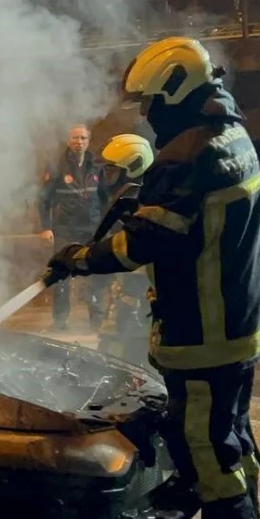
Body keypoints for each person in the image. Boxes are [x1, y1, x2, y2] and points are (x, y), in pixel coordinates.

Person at [45, 37, 260, 519]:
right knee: (232, 441)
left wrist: (78, 258)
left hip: (202, 335)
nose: (147, 113)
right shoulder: (232, 136)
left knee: (208, 454)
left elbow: (142, 245)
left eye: (152, 102)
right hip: (239, 324)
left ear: (175, 90)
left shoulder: (186, 156)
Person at [38, 124, 113, 333]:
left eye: (82, 138)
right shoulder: (56, 167)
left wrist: (108, 226)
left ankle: (96, 320)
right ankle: (60, 321)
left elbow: (106, 199)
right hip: (65, 229)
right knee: (61, 275)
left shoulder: (97, 165)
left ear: (88, 141)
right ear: (68, 141)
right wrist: (46, 227)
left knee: (96, 274)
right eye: (74, 138)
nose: (78, 142)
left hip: (93, 229)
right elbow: (44, 200)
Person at [96, 134, 155, 364]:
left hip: (141, 301)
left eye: (112, 170)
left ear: (133, 167)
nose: (107, 176)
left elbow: (137, 256)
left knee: (123, 356)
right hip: (126, 294)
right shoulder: (129, 198)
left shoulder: (145, 204)